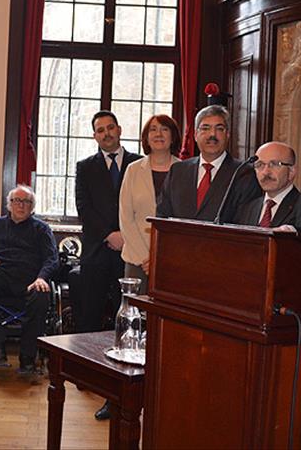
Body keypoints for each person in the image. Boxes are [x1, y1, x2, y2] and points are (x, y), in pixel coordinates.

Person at [75, 110, 142, 421]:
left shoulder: (139, 163)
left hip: (132, 252)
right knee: (89, 315)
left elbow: (143, 207)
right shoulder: (85, 167)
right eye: (99, 130)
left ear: (119, 129)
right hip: (96, 251)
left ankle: (120, 380)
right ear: (95, 136)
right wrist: (109, 235)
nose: (106, 133)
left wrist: (125, 236)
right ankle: (88, 374)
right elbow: (84, 208)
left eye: (110, 127)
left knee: (125, 318)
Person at [0, 185, 59, 373]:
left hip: (31, 278)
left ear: (32, 206)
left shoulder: (41, 229)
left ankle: (28, 356)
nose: (21, 205)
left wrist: (42, 278)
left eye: (26, 201)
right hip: (2, 274)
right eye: (17, 200)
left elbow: (52, 259)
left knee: (42, 295)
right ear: (9, 204)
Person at [156, 105, 261, 222]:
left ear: (227, 135)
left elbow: (245, 222)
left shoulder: (244, 173)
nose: (212, 134)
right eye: (205, 128)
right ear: (195, 135)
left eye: (219, 129)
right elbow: (162, 216)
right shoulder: (178, 171)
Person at [119, 115, 181, 293]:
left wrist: (161, 258)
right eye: (153, 130)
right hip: (137, 260)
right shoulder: (133, 170)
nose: (158, 134)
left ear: (173, 137)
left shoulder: (185, 170)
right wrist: (147, 258)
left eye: (164, 129)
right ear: (146, 137)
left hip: (172, 260)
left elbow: (185, 219)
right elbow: (126, 218)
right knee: (135, 309)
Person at [234, 141, 299, 227]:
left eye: (274, 164)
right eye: (260, 165)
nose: (265, 172)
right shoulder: (248, 208)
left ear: (291, 171)